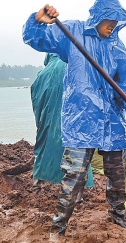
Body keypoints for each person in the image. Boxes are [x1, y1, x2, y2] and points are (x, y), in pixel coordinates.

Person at [22, 0, 126, 235]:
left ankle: (118, 217)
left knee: (117, 178)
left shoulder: (117, 46)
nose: (112, 24)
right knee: (74, 178)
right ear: (99, 16)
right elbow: (36, 38)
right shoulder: (73, 32)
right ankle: (58, 227)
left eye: (116, 20)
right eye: (109, 19)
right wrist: (38, 19)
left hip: (112, 121)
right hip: (82, 120)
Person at [30, 53, 94, 197]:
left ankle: (37, 186)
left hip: (47, 123)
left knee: (44, 148)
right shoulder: (73, 66)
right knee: (78, 151)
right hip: (72, 121)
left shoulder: (42, 75)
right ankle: (77, 195)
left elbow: (36, 102)